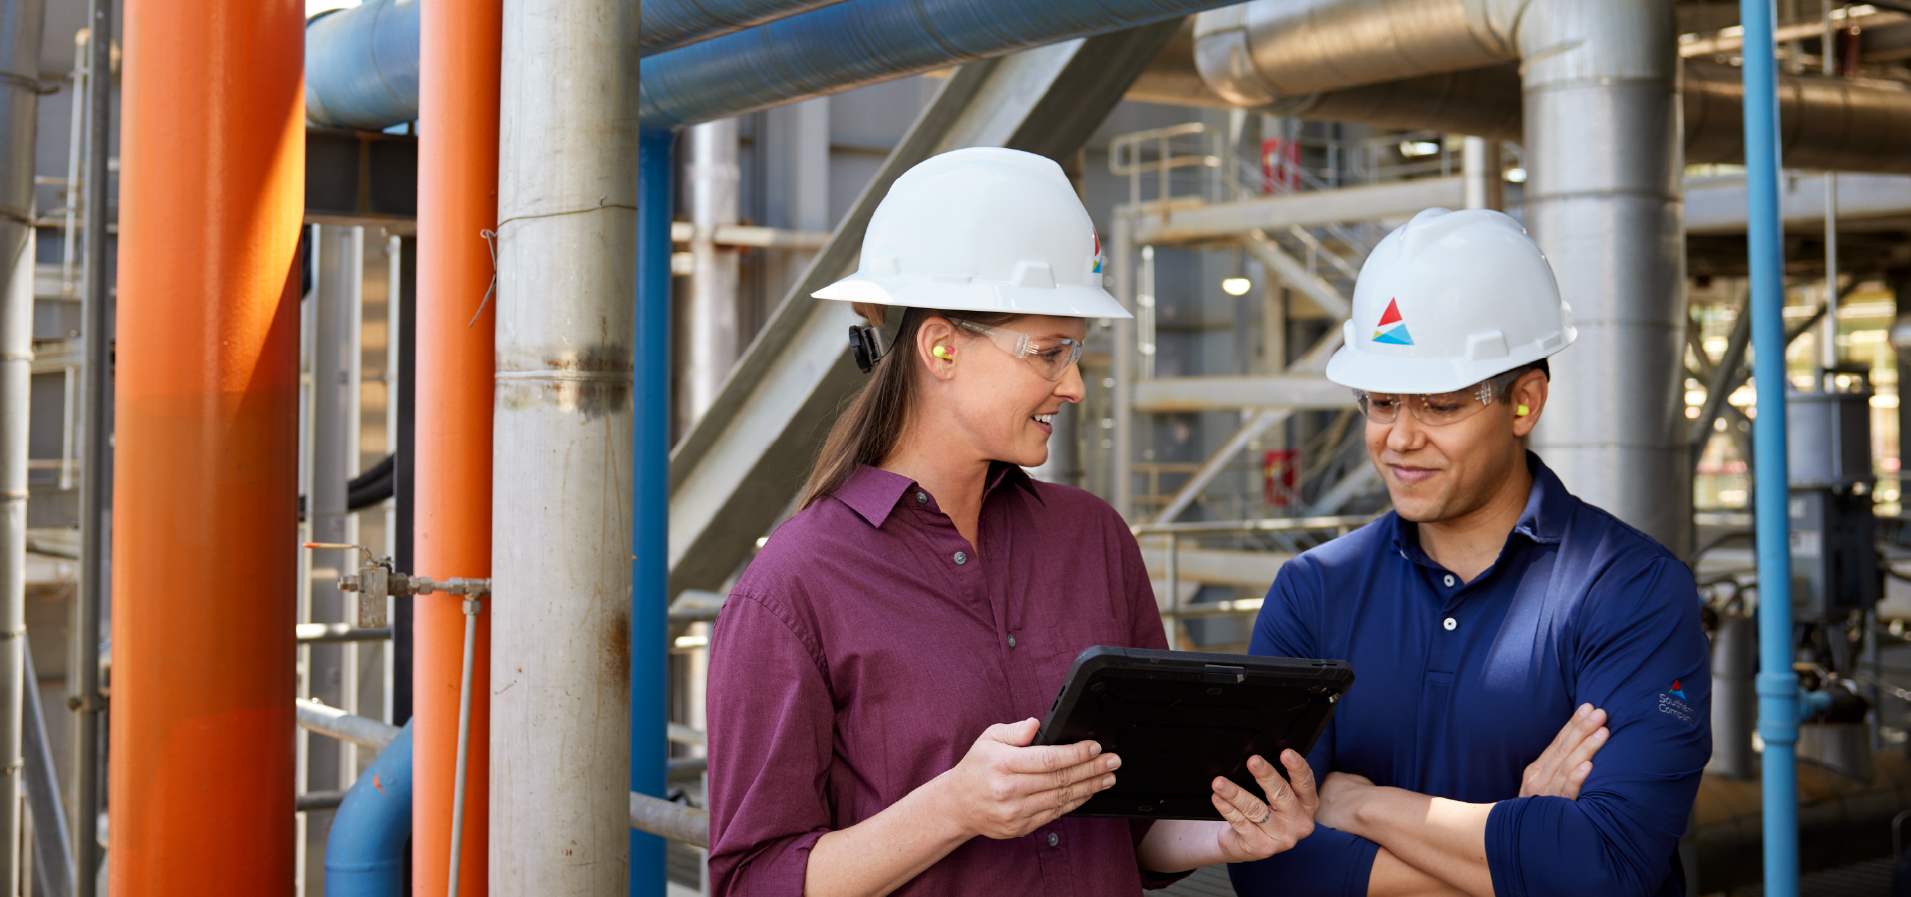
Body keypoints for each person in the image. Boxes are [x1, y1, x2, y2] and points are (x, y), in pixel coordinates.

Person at [706, 147, 1322, 897]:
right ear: (940, 347)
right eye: (1049, 352)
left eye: (1077, 352)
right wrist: (954, 806)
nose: (1074, 386)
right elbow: (749, 881)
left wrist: (1230, 830)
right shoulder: (793, 586)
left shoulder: (1093, 539)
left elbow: (1130, 825)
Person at [1225, 208, 1713, 897]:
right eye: (1382, 401)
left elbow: (1606, 868)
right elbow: (1266, 864)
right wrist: (1519, 842)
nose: (1398, 438)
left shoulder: (1630, 592)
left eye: (1439, 405)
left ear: (1524, 402)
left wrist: (1358, 803)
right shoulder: (1313, 592)